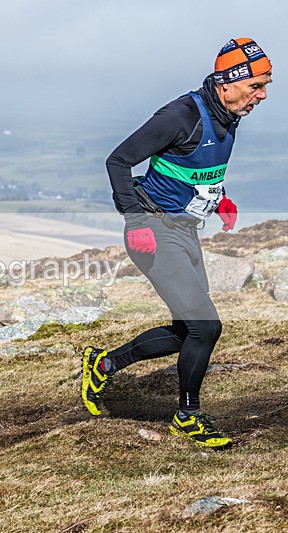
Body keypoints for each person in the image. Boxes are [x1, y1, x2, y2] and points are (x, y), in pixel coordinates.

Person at [82, 38, 272, 449]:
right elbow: (118, 160)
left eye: (266, 84)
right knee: (206, 326)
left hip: (184, 230)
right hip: (152, 230)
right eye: (257, 85)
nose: (263, 95)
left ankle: (105, 363)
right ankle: (187, 416)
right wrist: (134, 220)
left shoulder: (229, 114)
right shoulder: (182, 114)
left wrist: (221, 198)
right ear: (228, 81)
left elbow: (194, 168)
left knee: (191, 329)